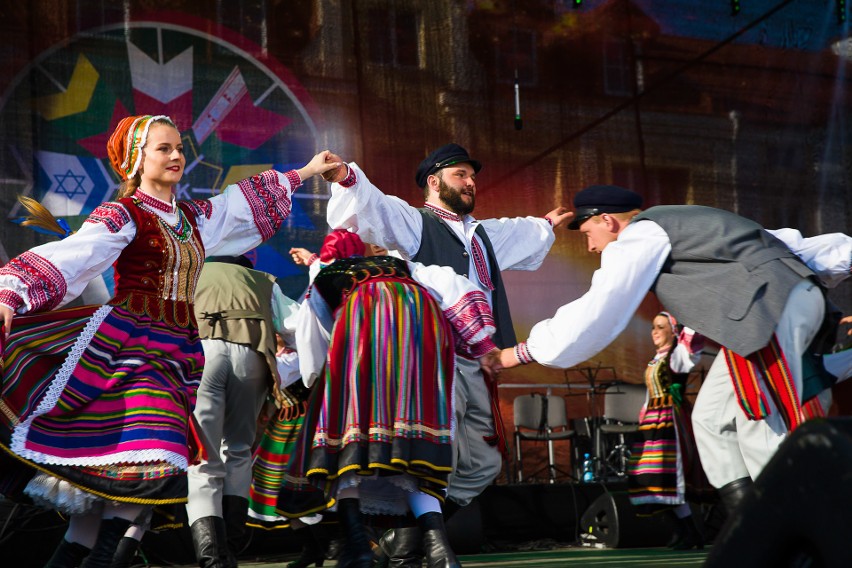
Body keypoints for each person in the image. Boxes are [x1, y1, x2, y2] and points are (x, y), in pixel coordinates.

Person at [0, 114, 340, 568]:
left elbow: (240, 202)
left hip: (180, 352)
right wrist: (11, 294)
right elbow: (73, 255)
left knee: (122, 488)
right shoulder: (124, 213)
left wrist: (308, 171)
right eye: (164, 148)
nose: (177, 155)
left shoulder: (193, 218)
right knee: (153, 456)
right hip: (130, 349)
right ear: (136, 160)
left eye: (178, 147)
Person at [497, 185, 852, 519]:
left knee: (763, 422)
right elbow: (795, 246)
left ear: (607, 220)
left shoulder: (640, 234)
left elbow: (603, 305)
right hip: (756, 321)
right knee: (710, 419)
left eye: (588, 233)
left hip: (770, 311)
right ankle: (749, 519)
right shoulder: (688, 224)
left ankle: (800, 526)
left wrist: (522, 352)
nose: (591, 247)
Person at [323, 144, 571, 561]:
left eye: (472, 176)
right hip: (433, 355)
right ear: (434, 182)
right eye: (461, 175)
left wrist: (548, 223)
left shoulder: (481, 234)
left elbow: (521, 231)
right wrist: (347, 177)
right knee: (439, 450)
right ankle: (413, 544)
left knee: (483, 462)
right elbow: (376, 207)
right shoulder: (416, 223)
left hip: (477, 359)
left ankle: (407, 531)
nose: (471, 181)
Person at [277, 229, 500, 568]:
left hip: (363, 327)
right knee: (411, 449)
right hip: (419, 337)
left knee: (342, 444)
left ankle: (359, 548)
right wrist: (481, 344)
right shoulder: (405, 267)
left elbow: (312, 337)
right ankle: (440, 552)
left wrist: (317, 379)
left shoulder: (328, 276)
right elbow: (457, 287)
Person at [186, 254, 300, 568]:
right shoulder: (263, 282)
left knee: (201, 458)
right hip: (251, 355)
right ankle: (231, 547)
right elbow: (297, 327)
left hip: (203, 354)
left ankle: (211, 557)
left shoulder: (189, 272)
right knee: (236, 449)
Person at [628, 311, 709, 550]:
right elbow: (650, 392)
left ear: (673, 332)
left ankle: (689, 533)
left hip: (670, 421)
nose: (654, 331)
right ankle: (685, 531)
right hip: (653, 423)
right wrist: (643, 413)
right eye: (653, 326)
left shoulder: (677, 356)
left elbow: (693, 345)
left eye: (660, 327)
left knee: (667, 478)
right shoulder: (655, 359)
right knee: (649, 478)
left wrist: (690, 310)